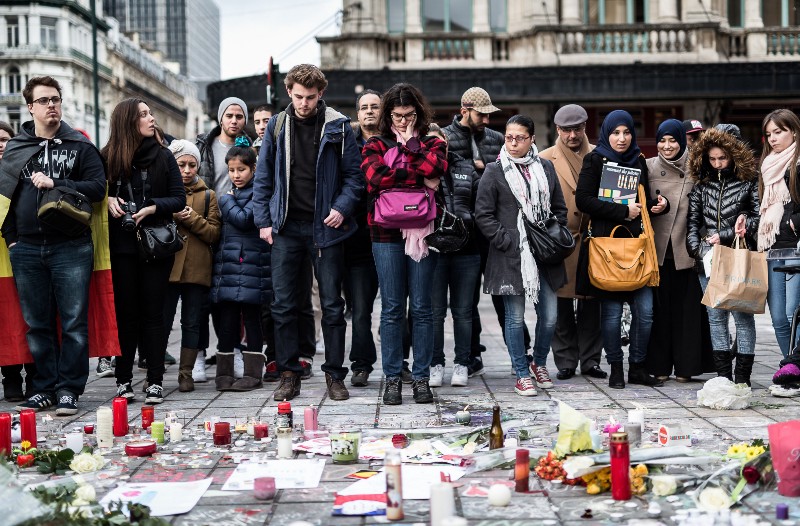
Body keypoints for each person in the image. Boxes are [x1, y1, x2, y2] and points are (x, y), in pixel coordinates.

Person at [254, 64, 363, 401]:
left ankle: (334, 375)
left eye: (311, 98)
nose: (304, 103)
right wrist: (264, 222)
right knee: (284, 305)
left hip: (324, 228)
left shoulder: (339, 126)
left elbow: (354, 178)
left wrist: (341, 207)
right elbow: (263, 178)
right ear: (289, 92)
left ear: (321, 94)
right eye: (299, 96)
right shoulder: (277, 125)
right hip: (286, 228)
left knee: (332, 304)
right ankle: (289, 374)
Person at [0, 77, 106, 414]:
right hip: (27, 249)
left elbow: (98, 187)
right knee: (37, 323)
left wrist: (57, 182)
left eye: (56, 100)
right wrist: (12, 239)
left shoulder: (79, 145)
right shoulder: (16, 148)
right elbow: (5, 197)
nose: (52, 106)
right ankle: (43, 387)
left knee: (73, 322)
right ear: (30, 107)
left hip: (71, 246)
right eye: (44, 100)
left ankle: (69, 390)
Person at [361, 82, 447, 405]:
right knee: (393, 307)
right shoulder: (374, 144)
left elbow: (435, 167)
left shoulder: (431, 142)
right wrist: (415, 176)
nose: (402, 122)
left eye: (408, 115)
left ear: (419, 113)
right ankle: (394, 377)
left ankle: (421, 378)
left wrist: (411, 146)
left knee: (423, 308)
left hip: (422, 232)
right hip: (384, 234)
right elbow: (375, 178)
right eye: (396, 116)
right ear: (387, 115)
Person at [575, 110, 669, 389]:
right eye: (615, 132)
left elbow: (644, 202)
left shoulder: (638, 161)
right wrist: (621, 211)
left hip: (637, 247)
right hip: (608, 248)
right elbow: (583, 200)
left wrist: (658, 207)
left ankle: (637, 367)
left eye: (626, 132)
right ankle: (616, 366)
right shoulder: (594, 160)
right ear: (606, 134)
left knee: (646, 311)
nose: (622, 138)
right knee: (613, 314)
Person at [443, 86, 531, 376]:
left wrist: (478, 170)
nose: (486, 121)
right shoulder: (444, 137)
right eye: (481, 115)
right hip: (463, 229)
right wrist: (477, 168)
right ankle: (470, 356)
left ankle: (522, 353)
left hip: (494, 230)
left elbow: (508, 175)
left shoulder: (497, 140)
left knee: (504, 295)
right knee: (465, 301)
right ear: (464, 110)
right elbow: (446, 178)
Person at [475, 115, 566, 395]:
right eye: (509, 137)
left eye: (519, 138)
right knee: (514, 318)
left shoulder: (546, 168)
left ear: (532, 139)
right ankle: (520, 371)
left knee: (549, 316)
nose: (513, 143)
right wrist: (506, 240)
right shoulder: (495, 170)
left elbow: (559, 208)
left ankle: (539, 362)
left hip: (545, 254)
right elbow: (483, 214)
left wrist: (552, 233)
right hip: (511, 255)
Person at [104, 98, 185, 404]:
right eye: (144, 115)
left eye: (151, 113)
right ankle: (123, 380)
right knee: (126, 315)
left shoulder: (164, 156)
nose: (152, 119)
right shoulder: (108, 156)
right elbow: (95, 192)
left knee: (154, 314)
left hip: (155, 246)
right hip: (122, 247)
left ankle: (154, 381)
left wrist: (152, 207)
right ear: (128, 122)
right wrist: (108, 200)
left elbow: (179, 199)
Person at [686, 128, 760, 385]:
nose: (717, 163)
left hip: (738, 257)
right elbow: (692, 225)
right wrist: (698, 251)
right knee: (716, 319)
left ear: (734, 154)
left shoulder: (750, 181)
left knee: (742, 317)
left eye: (723, 158)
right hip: (708, 260)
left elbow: (758, 219)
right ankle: (723, 378)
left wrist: (725, 234)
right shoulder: (701, 185)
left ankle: (743, 379)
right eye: (713, 158)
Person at [539, 104, 606, 381]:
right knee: (561, 307)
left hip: (594, 239)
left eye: (577, 129)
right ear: (557, 130)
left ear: (585, 128)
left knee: (593, 305)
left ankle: (590, 360)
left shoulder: (601, 156)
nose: (572, 135)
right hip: (561, 240)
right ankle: (565, 360)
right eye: (566, 130)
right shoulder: (544, 158)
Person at [645, 119, 713, 382]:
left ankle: (687, 367)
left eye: (672, 140)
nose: (667, 145)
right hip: (658, 250)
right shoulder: (649, 165)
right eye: (662, 140)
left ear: (682, 141)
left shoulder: (697, 167)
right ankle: (659, 366)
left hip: (687, 249)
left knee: (688, 313)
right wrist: (654, 205)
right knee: (658, 312)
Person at [211, 145, 271, 391]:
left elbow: (245, 219)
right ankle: (224, 372)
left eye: (242, 169)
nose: (236, 175)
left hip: (251, 265)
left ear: (254, 168)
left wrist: (226, 201)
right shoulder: (233, 192)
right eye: (232, 170)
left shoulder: (256, 193)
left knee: (252, 318)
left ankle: (253, 373)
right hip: (229, 265)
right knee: (227, 319)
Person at [163, 139, 221, 392]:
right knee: (162, 320)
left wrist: (190, 217)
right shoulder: (163, 192)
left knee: (192, 321)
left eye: (192, 165)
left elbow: (213, 233)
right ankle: (155, 370)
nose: (187, 170)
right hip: (167, 266)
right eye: (181, 165)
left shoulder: (208, 195)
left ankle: (186, 373)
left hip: (197, 269)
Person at [427, 124, 481, 388]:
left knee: (463, 311)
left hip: (466, 249)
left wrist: (469, 221)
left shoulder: (466, 168)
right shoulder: (420, 170)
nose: (435, 149)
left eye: (438, 142)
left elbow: (481, 203)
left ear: (446, 141)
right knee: (435, 312)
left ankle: (462, 362)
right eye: (429, 144)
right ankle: (435, 363)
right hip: (433, 249)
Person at [0, 121, 38, 402]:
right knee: (6, 321)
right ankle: (10, 377)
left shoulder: (28, 170)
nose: (0, 145)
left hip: (27, 251)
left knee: (33, 316)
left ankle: (35, 376)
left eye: (4, 139)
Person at [758, 109, 800, 359]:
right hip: (773, 248)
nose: (773, 138)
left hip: (796, 247)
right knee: (777, 318)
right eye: (769, 134)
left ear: (793, 131)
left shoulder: (798, 163)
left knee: (792, 312)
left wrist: (793, 223)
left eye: (779, 131)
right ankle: (790, 367)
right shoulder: (766, 167)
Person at [347, 89, 382, 387]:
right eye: (364, 107)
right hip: (358, 239)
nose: (369, 111)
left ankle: (402, 362)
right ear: (357, 114)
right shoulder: (347, 145)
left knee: (399, 308)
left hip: (394, 236)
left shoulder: (395, 142)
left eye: (375, 107)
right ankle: (361, 363)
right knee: (360, 310)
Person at [197, 97, 251, 195]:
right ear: (221, 119)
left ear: (245, 121)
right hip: (207, 209)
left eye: (239, 117)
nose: (234, 121)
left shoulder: (251, 149)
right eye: (229, 116)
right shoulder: (203, 147)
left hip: (241, 210)